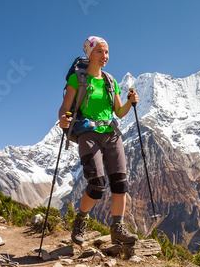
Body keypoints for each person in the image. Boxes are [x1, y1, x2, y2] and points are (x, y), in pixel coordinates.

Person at [58, 36, 140, 245]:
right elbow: (65, 107)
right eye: (99, 52)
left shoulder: (110, 80)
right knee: (96, 185)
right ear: (89, 53)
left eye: (107, 52)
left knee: (120, 183)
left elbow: (119, 112)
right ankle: (80, 222)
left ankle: (118, 229)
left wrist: (131, 103)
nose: (105, 56)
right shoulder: (78, 79)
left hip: (111, 133)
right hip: (88, 133)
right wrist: (63, 119)